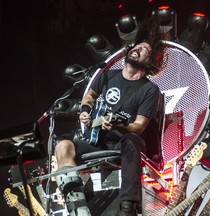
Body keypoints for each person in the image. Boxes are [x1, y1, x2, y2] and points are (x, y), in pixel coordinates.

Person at [54, 16, 166, 216]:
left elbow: (139, 126)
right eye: (136, 47)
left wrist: (119, 125)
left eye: (144, 51)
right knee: (63, 146)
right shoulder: (107, 76)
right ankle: (77, 207)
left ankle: (128, 207)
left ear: (150, 62)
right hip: (99, 141)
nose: (137, 50)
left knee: (132, 140)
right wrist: (85, 111)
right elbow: (89, 96)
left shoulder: (150, 89)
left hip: (125, 141)